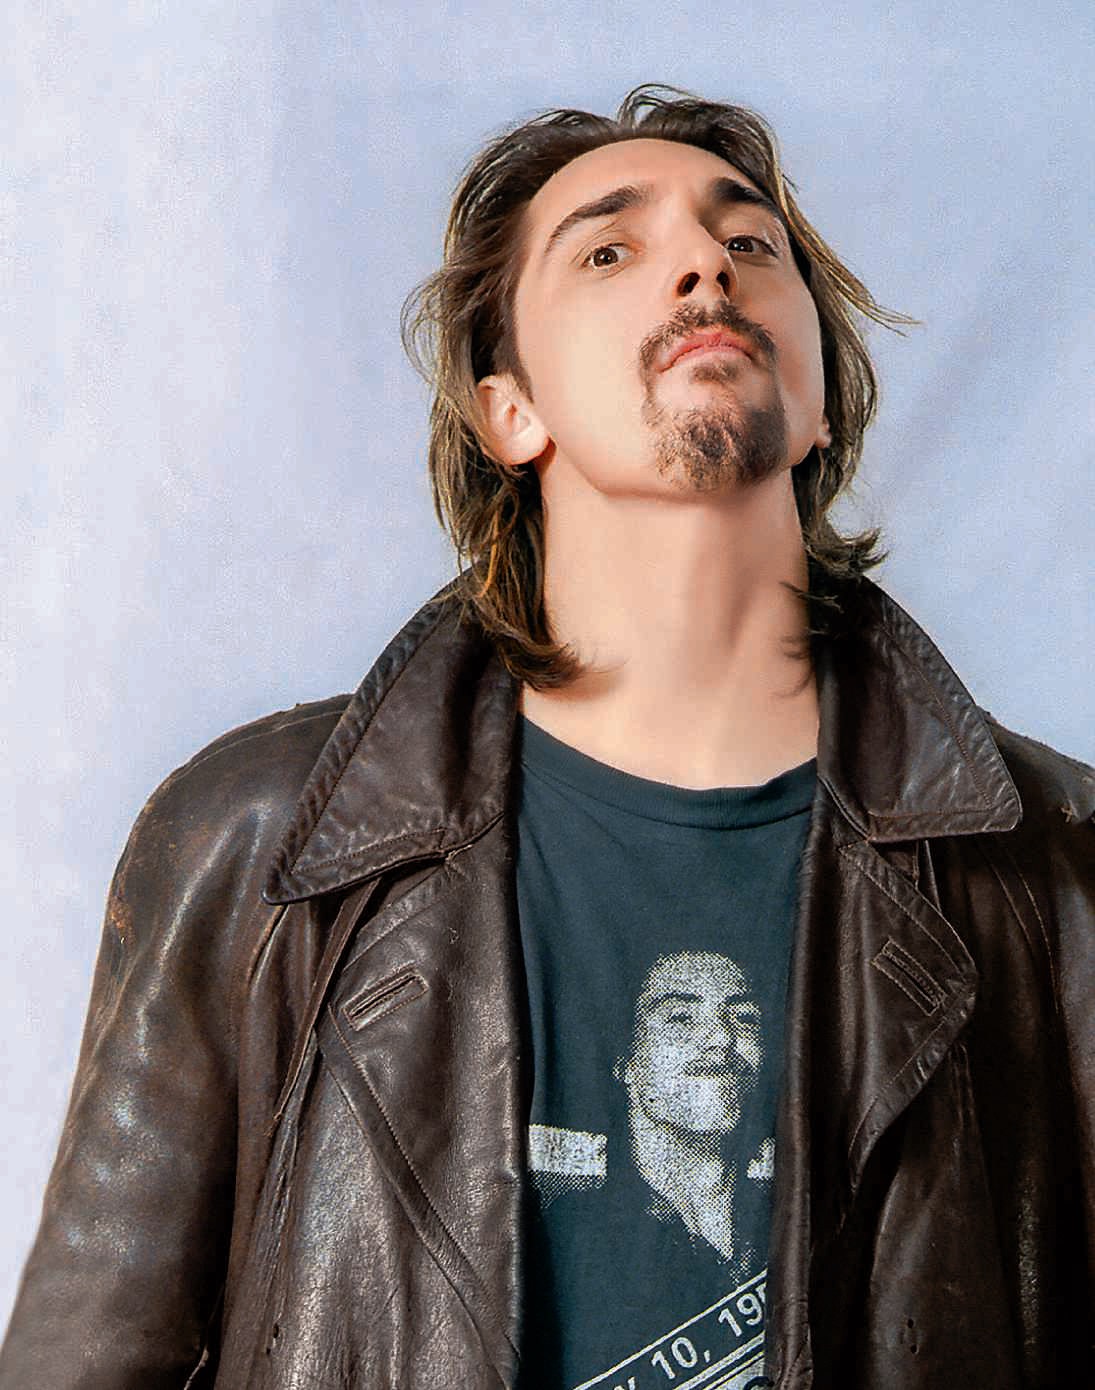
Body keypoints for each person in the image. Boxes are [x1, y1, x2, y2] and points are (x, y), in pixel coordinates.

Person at [1, 83, 1092, 1390]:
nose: (704, 265)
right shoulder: (257, 846)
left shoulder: (1060, 872)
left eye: (750, 242)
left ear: (817, 402)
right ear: (508, 408)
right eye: (611, 251)